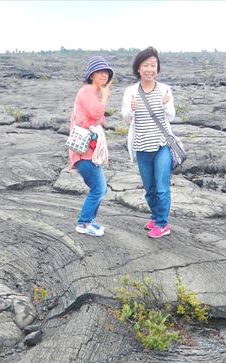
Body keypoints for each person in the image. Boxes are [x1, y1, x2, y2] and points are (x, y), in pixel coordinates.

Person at [121, 47, 176, 239]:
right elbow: (126, 119)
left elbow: (171, 116)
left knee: (161, 187)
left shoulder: (165, 90)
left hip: (162, 145)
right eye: (146, 65)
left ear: (158, 69)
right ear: (138, 69)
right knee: (150, 189)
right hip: (141, 146)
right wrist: (131, 110)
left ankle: (162, 224)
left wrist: (165, 104)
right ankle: (155, 216)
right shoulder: (130, 92)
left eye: (153, 65)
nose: (149, 69)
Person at [69, 56, 113, 236]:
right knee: (99, 188)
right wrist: (105, 98)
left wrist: (101, 98)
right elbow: (96, 113)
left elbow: (98, 119)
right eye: (100, 72)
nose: (104, 75)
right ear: (91, 75)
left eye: (106, 72)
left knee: (99, 188)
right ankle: (84, 223)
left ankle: (90, 221)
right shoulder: (87, 91)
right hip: (83, 151)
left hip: (90, 151)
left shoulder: (93, 94)